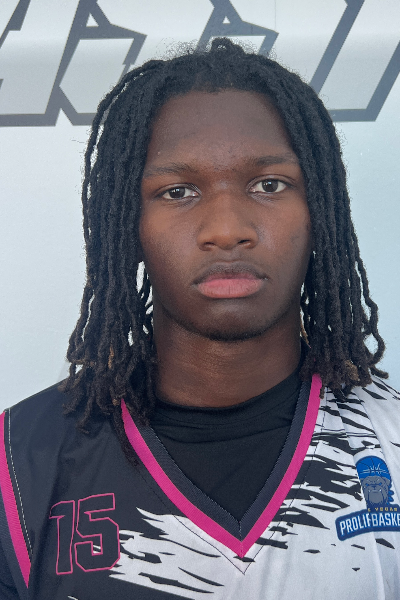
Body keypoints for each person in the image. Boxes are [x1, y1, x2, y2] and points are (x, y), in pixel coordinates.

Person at [0, 38, 399, 599]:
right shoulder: (17, 465)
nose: (226, 229)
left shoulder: (390, 442)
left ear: (320, 212)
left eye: (269, 185)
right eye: (178, 191)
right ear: (127, 225)